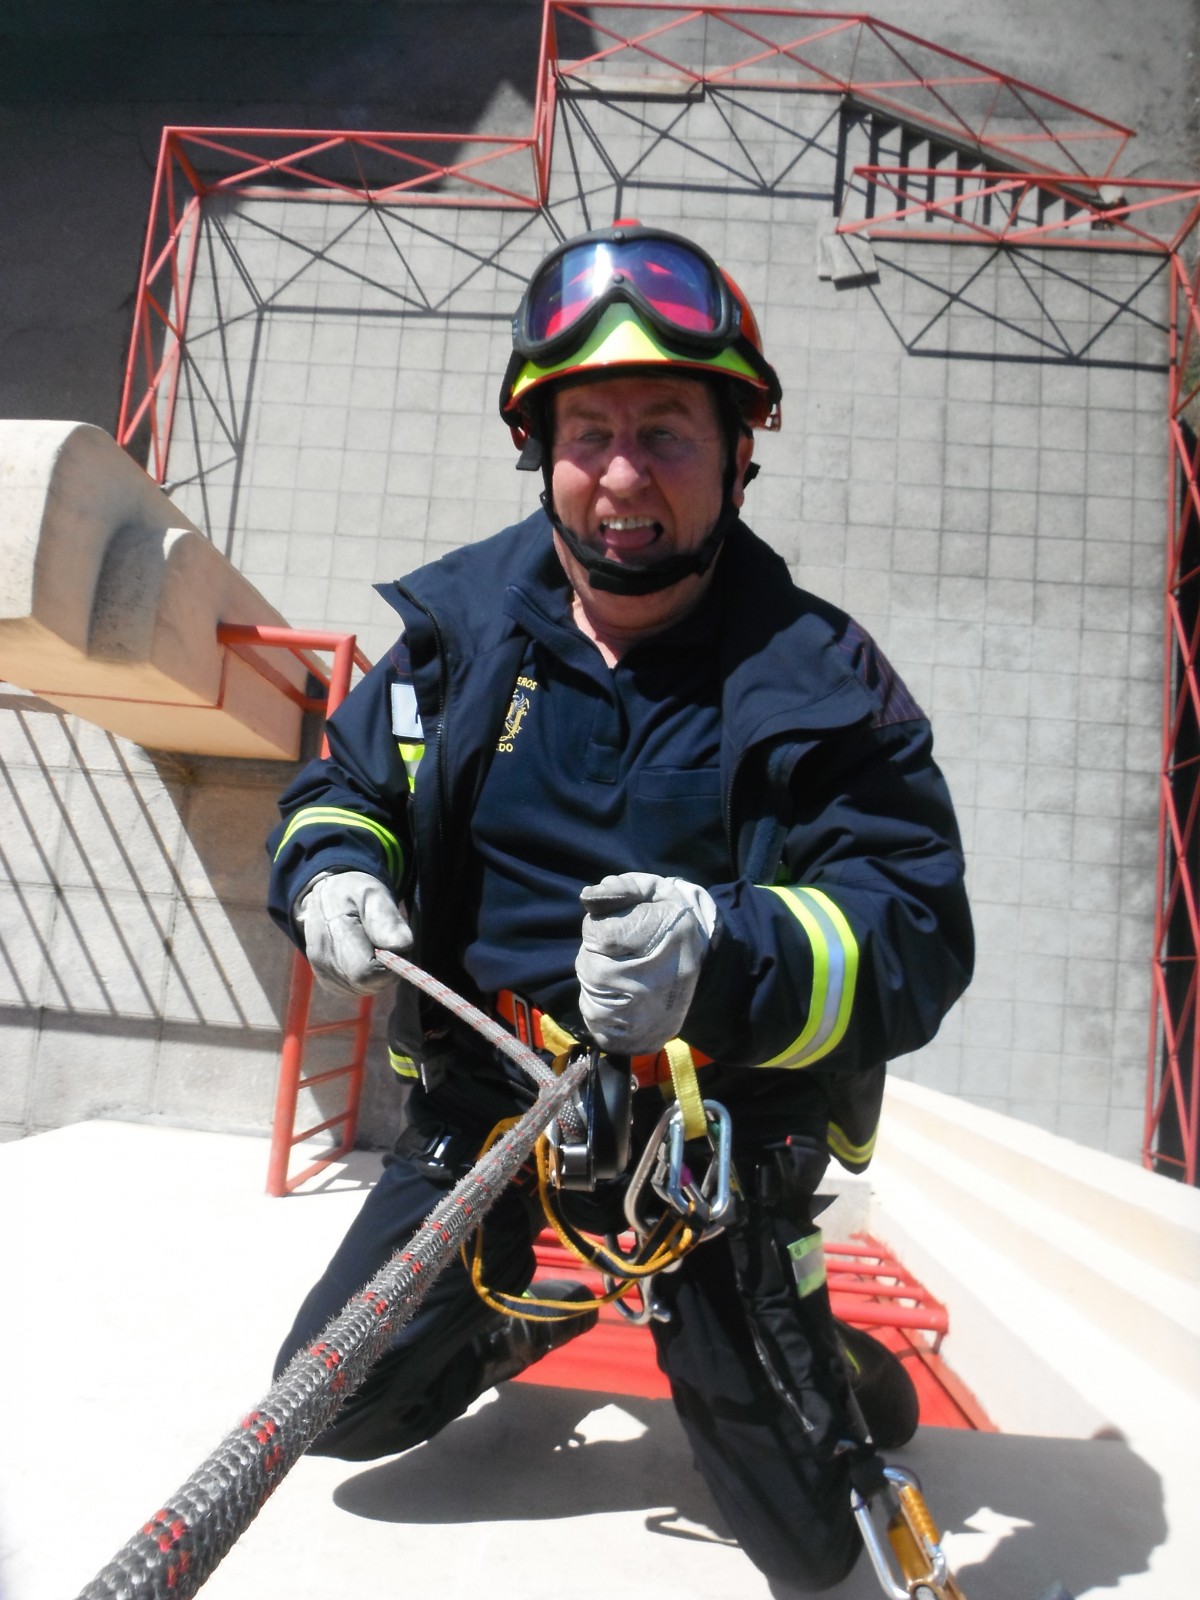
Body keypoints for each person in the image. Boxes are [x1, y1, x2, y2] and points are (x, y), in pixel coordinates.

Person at [266, 221, 973, 1590]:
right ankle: (521, 1310)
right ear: (542, 450)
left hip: (711, 1154)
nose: (622, 475)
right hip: (491, 1114)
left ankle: (788, 1344)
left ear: (739, 451)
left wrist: (726, 955)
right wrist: (332, 871)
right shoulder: (459, 641)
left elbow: (915, 930)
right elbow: (340, 788)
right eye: (588, 430)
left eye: (668, 431)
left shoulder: (821, 683)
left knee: (809, 1544)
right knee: (328, 1404)